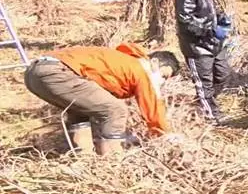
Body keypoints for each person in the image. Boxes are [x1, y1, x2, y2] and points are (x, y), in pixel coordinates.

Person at [24, 44, 179, 155]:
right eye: (163, 75)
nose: (162, 81)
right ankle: (112, 163)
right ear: (154, 62)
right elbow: (153, 107)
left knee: (81, 111)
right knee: (116, 110)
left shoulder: (121, 62)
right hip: (55, 72)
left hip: (35, 73)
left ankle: (84, 158)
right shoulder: (141, 68)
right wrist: (164, 135)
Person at [175, 0, 232, 123]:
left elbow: (210, 10)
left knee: (223, 75)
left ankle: (203, 102)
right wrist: (210, 30)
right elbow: (185, 21)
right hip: (197, 46)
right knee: (204, 82)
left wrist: (222, 18)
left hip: (214, 43)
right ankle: (211, 115)